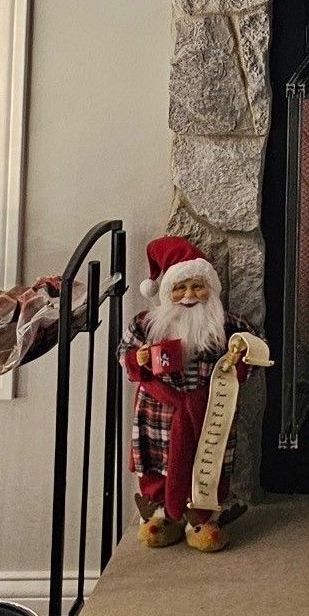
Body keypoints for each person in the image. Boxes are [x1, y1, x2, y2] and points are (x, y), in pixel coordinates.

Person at [121, 235, 251, 552]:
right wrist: (135, 359)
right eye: (180, 288)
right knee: (157, 464)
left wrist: (241, 358)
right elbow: (124, 353)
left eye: (197, 287)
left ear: (211, 289)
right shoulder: (146, 325)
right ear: (167, 292)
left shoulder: (227, 325)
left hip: (211, 409)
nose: (189, 296)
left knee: (210, 461)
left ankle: (203, 517)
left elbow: (253, 352)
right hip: (158, 413)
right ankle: (160, 514)